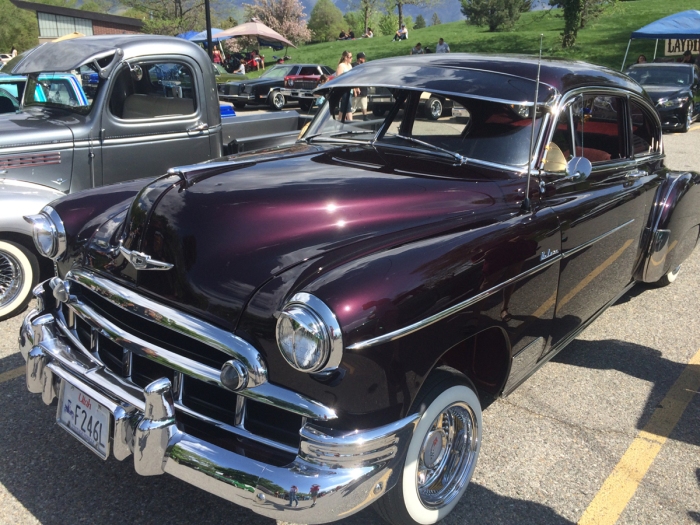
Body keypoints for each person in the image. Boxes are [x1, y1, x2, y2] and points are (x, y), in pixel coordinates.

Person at [336, 51, 354, 121]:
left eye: (351, 57)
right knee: (348, 107)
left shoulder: (350, 66)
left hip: (350, 89)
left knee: (343, 108)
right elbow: (338, 78)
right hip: (343, 89)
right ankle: (351, 122)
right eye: (350, 57)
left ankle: (339, 121)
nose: (351, 59)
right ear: (345, 57)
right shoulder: (341, 66)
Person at [351, 52, 368, 120]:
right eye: (363, 58)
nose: (364, 60)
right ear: (360, 58)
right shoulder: (353, 66)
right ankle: (348, 117)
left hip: (363, 88)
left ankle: (365, 117)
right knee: (353, 105)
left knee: (364, 104)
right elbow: (353, 77)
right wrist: (355, 88)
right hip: (356, 88)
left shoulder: (364, 66)